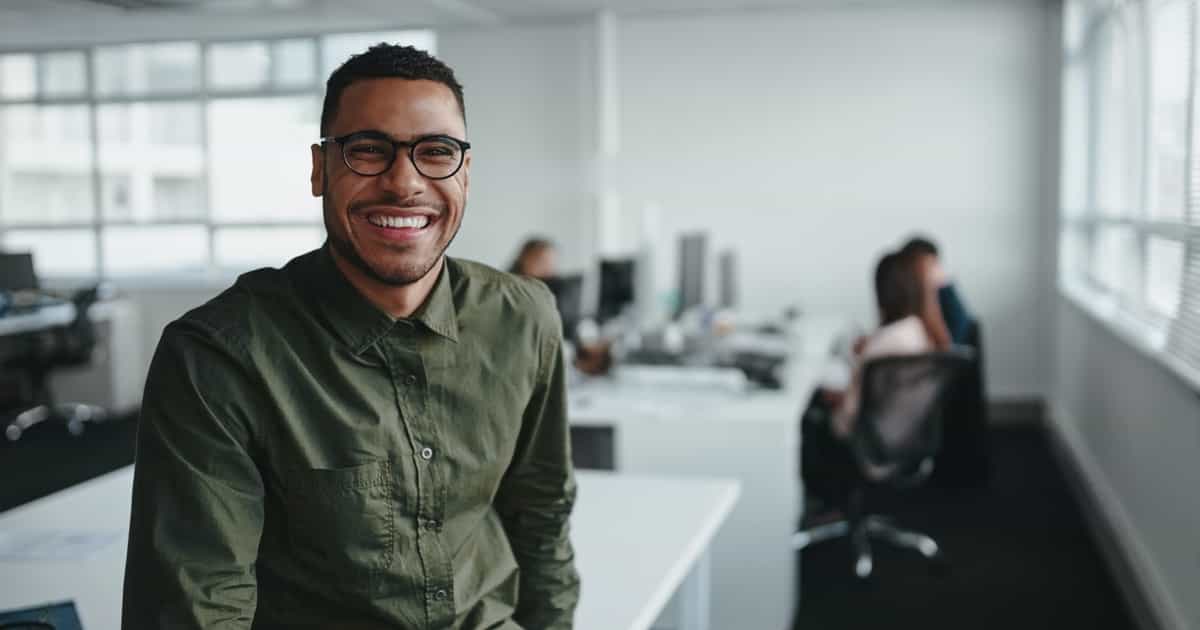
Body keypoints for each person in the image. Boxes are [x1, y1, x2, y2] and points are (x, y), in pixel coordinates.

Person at [123, 45, 579, 629]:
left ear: (465, 173)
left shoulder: (523, 316)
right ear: (320, 170)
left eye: (436, 152)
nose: (404, 183)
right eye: (368, 150)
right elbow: (199, 605)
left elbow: (540, 515)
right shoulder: (219, 355)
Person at [802, 251, 934, 510]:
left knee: (809, 413)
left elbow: (850, 413)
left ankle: (823, 506)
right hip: (902, 438)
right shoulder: (916, 330)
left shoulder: (884, 342)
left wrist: (834, 397)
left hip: (865, 445)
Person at [900, 235, 974, 348]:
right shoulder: (901, 296)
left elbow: (952, 343)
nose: (924, 277)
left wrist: (942, 287)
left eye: (929, 268)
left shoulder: (946, 296)